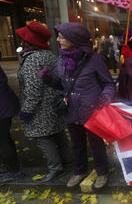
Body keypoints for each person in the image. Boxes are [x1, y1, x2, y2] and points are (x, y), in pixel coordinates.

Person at [38, 22, 115, 189]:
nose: (58, 39)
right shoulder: (62, 60)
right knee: (76, 144)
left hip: (92, 111)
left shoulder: (95, 60)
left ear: (74, 39)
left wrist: (103, 99)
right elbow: (61, 85)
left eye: (62, 37)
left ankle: (102, 172)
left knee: (96, 144)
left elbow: (109, 84)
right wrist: (49, 80)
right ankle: (79, 171)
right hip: (71, 111)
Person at [15, 21, 72, 183]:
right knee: (58, 133)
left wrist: (27, 110)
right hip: (52, 104)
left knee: (42, 138)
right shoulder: (48, 55)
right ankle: (67, 161)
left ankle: (55, 168)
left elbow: (33, 90)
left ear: (29, 41)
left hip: (40, 108)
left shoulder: (32, 59)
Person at [0, 63, 22, 184]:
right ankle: (12, 167)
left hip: (2, 108)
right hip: (5, 105)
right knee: (5, 138)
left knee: (2, 141)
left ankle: (14, 171)